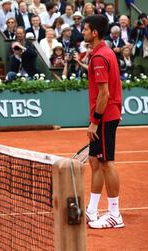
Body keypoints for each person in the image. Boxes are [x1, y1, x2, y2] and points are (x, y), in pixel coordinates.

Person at [82, 14, 124, 229]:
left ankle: (115, 214)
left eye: (86, 29)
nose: (83, 32)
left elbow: (104, 94)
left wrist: (95, 122)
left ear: (95, 32)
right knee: (94, 161)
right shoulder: (105, 52)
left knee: (107, 162)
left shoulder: (99, 57)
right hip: (107, 113)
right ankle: (91, 210)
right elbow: (116, 85)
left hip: (104, 116)